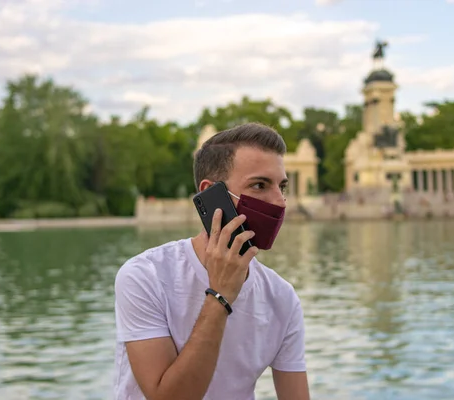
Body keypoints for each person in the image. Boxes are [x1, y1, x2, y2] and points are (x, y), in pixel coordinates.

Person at [113, 122, 310, 400]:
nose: (279, 201)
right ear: (212, 194)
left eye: (282, 186)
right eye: (259, 185)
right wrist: (220, 295)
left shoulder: (282, 297)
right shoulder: (145, 276)